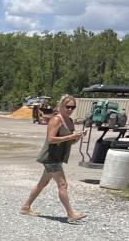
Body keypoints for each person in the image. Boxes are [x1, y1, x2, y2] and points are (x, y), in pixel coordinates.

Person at [21, 94, 87, 222]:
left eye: (73, 107)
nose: (70, 109)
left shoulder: (70, 121)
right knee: (62, 184)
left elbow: (70, 142)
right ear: (61, 106)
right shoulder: (56, 120)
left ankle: (26, 206)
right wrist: (70, 137)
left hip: (58, 157)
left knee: (42, 183)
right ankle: (71, 214)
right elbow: (51, 139)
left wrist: (77, 137)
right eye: (67, 106)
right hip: (50, 157)